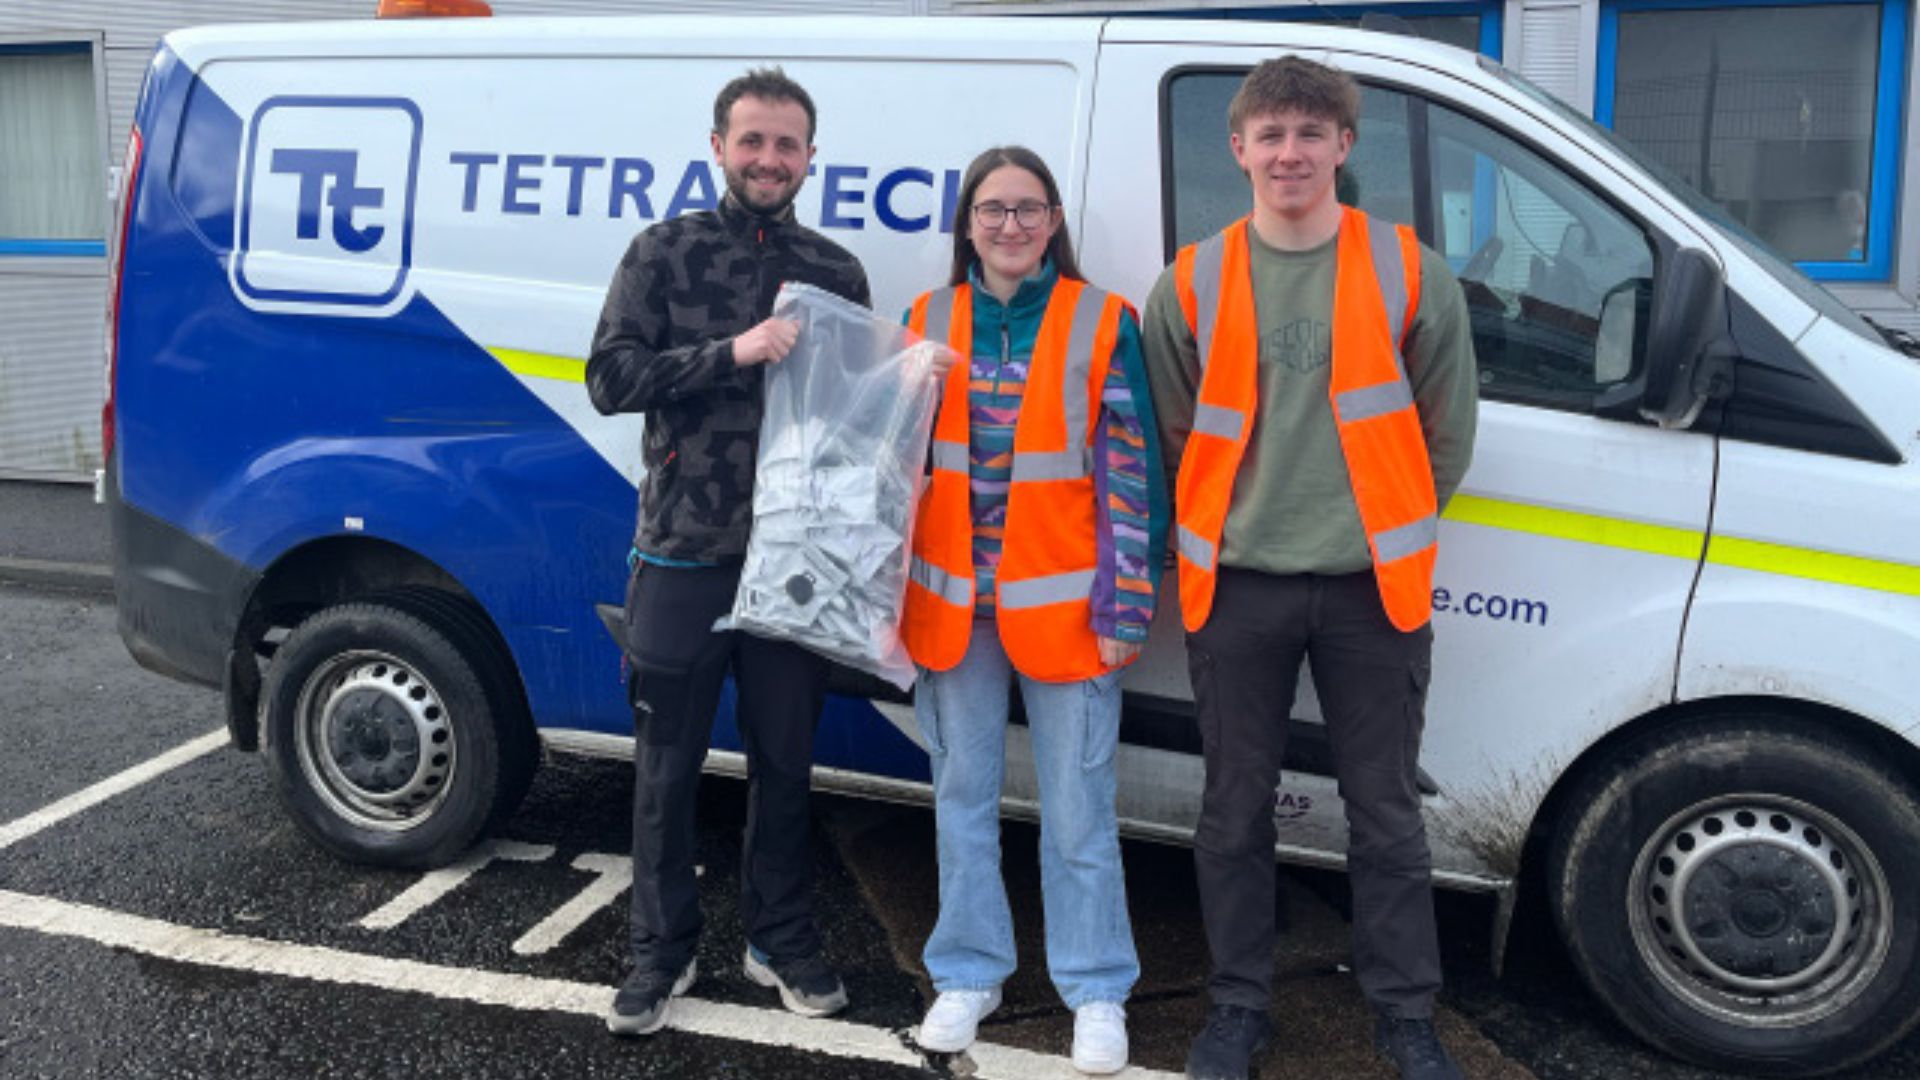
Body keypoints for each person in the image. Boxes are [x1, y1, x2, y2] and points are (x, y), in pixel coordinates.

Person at [1140, 57, 1478, 1080]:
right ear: (1237, 150)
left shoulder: (1411, 270)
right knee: (1234, 810)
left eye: (1309, 132)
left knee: (1383, 812)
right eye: (1270, 134)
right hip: (1236, 587)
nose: (1290, 151)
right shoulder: (1192, 279)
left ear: (1343, 145)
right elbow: (1168, 439)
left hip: (1371, 589)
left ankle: (1405, 1016)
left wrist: (1381, 528)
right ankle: (1237, 1008)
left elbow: (1446, 435)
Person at [585, 66, 870, 1037]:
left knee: (786, 763)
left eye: (787, 144)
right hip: (683, 554)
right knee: (666, 770)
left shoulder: (836, 273)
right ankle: (658, 957)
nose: (769, 159)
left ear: (809, 158)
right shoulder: (662, 253)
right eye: (752, 141)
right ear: (719, 146)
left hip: (794, 564)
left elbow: (853, 418)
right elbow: (610, 377)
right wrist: (733, 353)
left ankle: (779, 941)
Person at [901, 145, 1167, 1076]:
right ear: (967, 223)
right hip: (953, 613)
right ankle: (968, 974)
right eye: (991, 209)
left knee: (1079, 814)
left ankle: (1096, 989)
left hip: (1070, 616)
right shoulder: (926, 320)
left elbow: (1132, 473)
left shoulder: (1104, 321)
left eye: (1028, 209)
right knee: (960, 801)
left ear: (1054, 222)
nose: (1009, 225)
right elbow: (897, 469)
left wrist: (1128, 602)